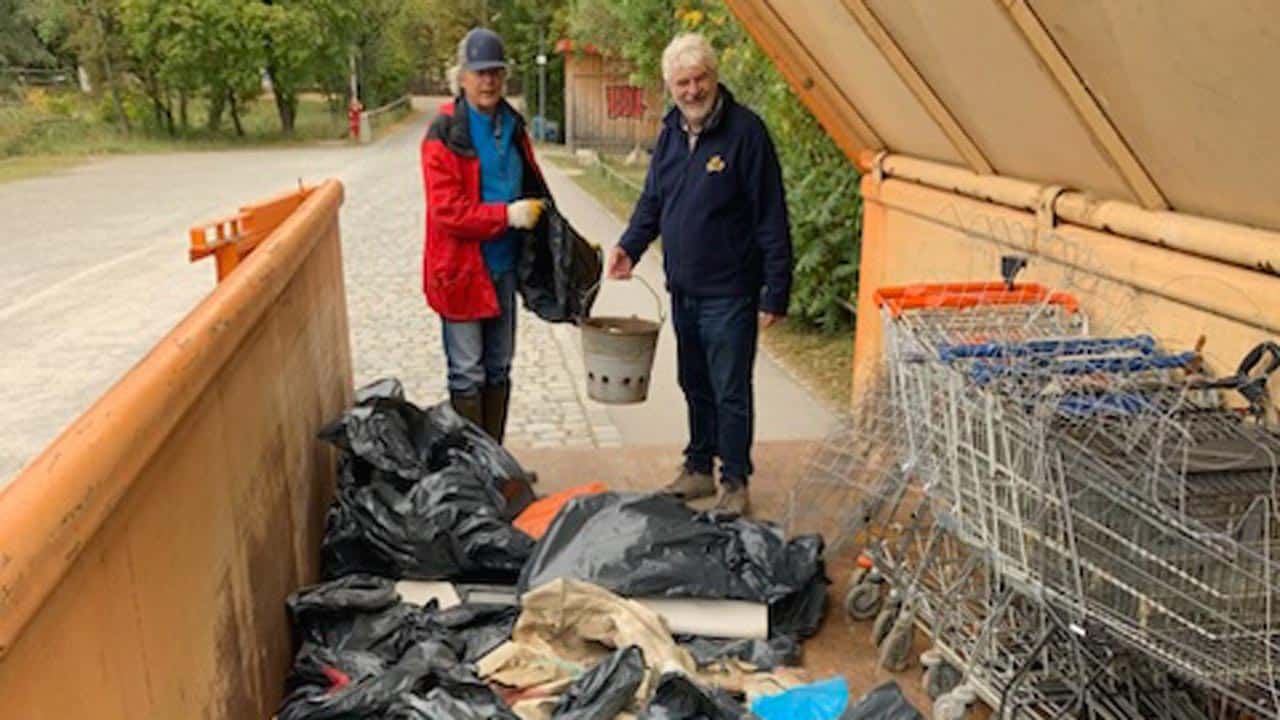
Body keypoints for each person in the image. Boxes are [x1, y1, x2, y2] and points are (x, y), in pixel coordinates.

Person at [607, 33, 793, 515]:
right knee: (694, 382)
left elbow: (771, 213)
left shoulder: (746, 133)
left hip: (730, 291)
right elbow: (653, 199)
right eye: (682, 83)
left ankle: (734, 479)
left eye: (699, 79)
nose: (692, 91)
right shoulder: (671, 131)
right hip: (684, 289)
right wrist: (629, 246)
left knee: (730, 388)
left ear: (714, 77)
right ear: (670, 87)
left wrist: (776, 290)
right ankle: (697, 468)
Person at [421, 27, 548, 442]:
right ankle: (472, 470)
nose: (488, 81)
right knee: (467, 370)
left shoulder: (512, 125)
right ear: (462, 77)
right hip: (461, 270)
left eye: (495, 72)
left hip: (504, 266)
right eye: (479, 73)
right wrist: (505, 217)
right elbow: (447, 211)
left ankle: (494, 460)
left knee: (499, 366)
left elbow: (531, 182)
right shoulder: (444, 132)